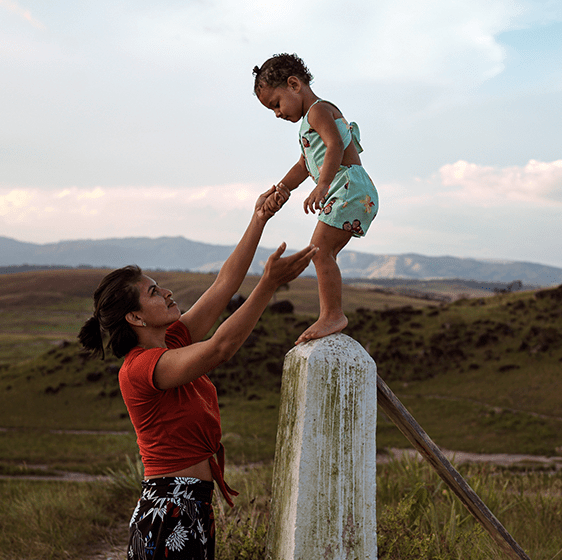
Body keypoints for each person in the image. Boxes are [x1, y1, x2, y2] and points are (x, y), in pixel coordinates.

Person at [77, 186, 316, 560]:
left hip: (190, 506)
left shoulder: (172, 340)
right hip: (170, 510)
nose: (168, 292)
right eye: (155, 292)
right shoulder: (140, 368)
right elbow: (221, 348)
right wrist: (268, 284)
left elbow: (224, 284)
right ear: (135, 317)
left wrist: (258, 219)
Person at [252, 53, 379, 345]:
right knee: (322, 251)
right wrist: (281, 189)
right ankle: (331, 313)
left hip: (348, 187)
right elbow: (303, 165)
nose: (277, 113)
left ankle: (332, 315)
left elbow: (334, 145)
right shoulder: (309, 121)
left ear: (294, 84)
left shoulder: (318, 111)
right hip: (350, 188)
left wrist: (322, 185)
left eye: (276, 104)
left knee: (320, 251)